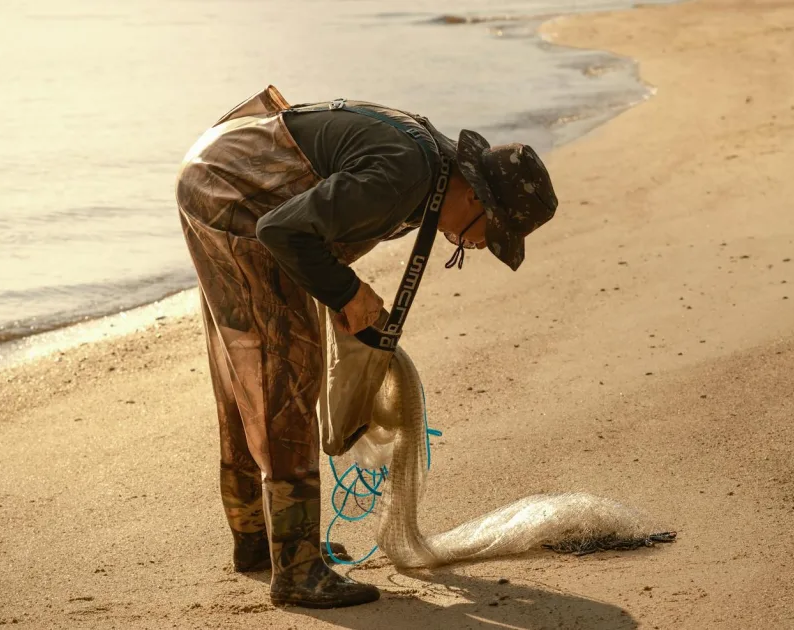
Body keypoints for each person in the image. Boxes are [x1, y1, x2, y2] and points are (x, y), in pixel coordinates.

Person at [175, 86, 558, 609]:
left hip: (227, 170)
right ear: (474, 194)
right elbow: (282, 229)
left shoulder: (431, 170)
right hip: (232, 191)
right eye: (487, 231)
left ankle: (262, 544)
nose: (475, 245)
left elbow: (311, 220)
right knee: (282, 373)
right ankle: (297, 570)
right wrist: (347, 292)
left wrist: (339, 291)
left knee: (249, 375)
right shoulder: (403, 176)